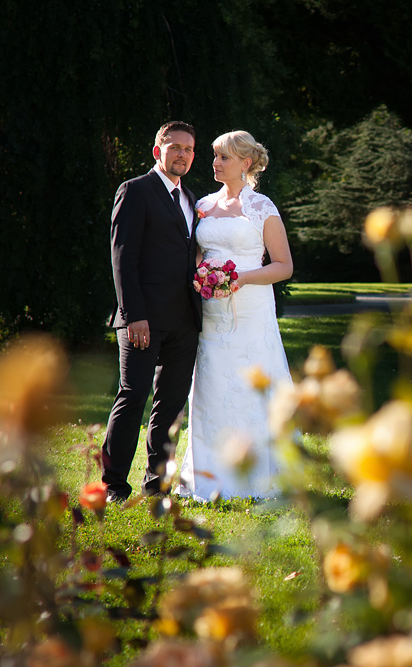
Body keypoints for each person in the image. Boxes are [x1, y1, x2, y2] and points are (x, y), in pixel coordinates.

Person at [175, 130, 294, 502]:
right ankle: (209, 474)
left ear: (245, 163)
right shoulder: (204, 206)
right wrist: (200, 277)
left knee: (249, 388)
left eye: (223, 157)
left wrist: (240, 278)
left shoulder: (262, 208)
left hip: (252, 310)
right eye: (213, 156)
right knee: (211, 385)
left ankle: (257, 475)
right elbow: (195, 256)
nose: (215, 163)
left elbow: (283, 266)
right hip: (211, 312)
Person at [102, 121, 202, 503]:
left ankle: (157, 483)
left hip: (184, 320)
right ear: (157, 150)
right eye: (174, 146)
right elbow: (122, 258)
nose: (181, 154)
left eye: (188, 149)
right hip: (142, 319)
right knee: (133, 395)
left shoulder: (191, 198)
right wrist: (133, 315)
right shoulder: (135, 191)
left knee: (171, 403)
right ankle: (113, 485)